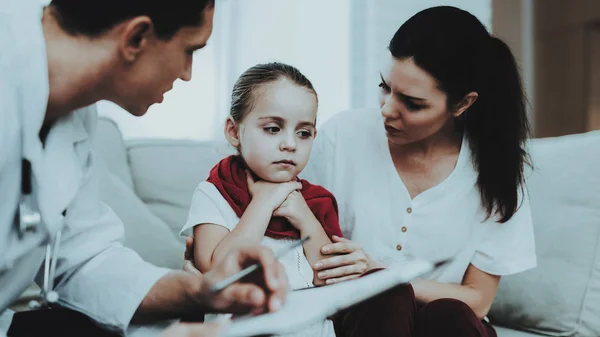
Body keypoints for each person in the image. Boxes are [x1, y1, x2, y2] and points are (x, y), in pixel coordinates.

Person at [181, 5, 537, 337]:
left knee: (451, 315)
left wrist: (378, 275)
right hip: (363, 318)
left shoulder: (496, 171)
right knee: (386, 301)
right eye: (385, 87)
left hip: (445, 323)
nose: (387, 109)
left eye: (411, 103)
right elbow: (286, 222)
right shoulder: (342, 135)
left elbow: (479, 299)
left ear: (462, 103)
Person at [0, 1, 289, 336]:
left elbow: (85, 263)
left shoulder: (75, 116)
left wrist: (202, 290)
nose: (187, 73)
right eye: (189, 50)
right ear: (136, 37)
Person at [180, 62, 342, 336]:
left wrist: (304, 217)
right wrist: (263, 202)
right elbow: (217, 271)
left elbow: (328, 278)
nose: (290, 144)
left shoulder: (315, 201)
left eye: (303, 133)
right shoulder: (213, 192)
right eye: (273, 129)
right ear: (234, 131)